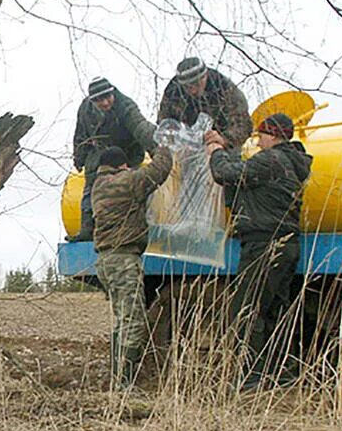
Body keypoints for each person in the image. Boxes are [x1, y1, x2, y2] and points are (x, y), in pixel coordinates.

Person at [205, 113, 313, 389]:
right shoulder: (291, 162)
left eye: (262, 135)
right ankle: (280, 372)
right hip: (286, 244)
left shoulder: (271, 160)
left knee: (247, 310)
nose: (258, 140)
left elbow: (226, 174)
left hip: (264, 244)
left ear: (273, 135)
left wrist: (216, 151)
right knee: (275, 310)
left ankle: (253, 376)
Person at [90, 144, 174, 386]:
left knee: (122, 319)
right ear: (122, 165)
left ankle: (118, 376)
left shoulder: (98, 185)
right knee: (133, 322)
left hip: (106, 260)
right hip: (123, 259)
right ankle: (123, 383)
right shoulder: (125, 182)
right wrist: (161, 146)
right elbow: (159, 171)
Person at [71, 77, 156, 241]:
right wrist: (79, 157)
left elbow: (140, 127)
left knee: (130, 190)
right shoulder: (85, 110)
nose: (104, 103)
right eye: (99, 100)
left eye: (107, 97)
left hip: (128, 154)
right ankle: (87, 230)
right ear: (92, 101)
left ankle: (134, 230)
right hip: (100, 153)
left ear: (112, 92)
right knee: (90, 188)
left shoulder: (125, 106)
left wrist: (154, 147)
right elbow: (80, 135)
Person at [158, 57, 251, 150]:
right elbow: (164, 123)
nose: (193, 91)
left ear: (205, 76)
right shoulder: (173, 92)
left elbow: (243, 126)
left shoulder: (225, 89)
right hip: (185, 147)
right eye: (188, 87)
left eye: (197, 84)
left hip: (220, 144)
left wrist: (224, 140)